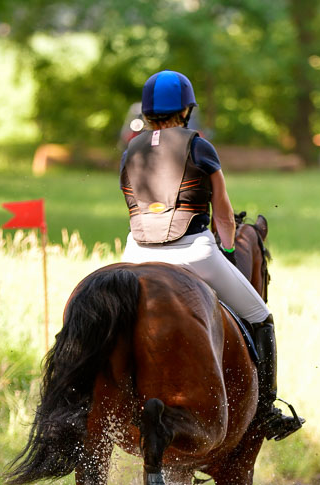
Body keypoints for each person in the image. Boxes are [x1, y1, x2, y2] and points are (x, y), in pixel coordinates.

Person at [120, 70, 303, 442]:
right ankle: (265, 410)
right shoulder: (199, 146)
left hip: (135, 254)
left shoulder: (131, 149)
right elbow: (222, 213)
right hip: (194, 252)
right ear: (186, 109)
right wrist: (231, 249)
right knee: (260, 316)